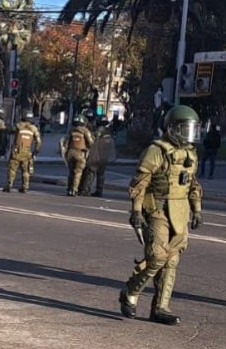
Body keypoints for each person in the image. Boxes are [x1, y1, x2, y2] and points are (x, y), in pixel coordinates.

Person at [119, 105, 203, 326]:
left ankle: (161, 307)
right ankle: (131, 290)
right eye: (185, 129)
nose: (189, 134)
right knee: (157, 256)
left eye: (191, 130)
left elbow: (193, 185)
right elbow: (140, 183)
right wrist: (136, 211)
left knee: (172, 260)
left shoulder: (191, 154)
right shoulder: (157, 150)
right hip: (157, 209)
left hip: (180, 211)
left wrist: (197, 209)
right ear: (172, 128)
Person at [5, 111, 41, 193]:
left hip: (16, 151)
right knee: (25, 170)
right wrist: (35, 151)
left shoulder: (18, 126)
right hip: (27, 152)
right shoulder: (34, 129)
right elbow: (38, 142)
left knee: (12, 169)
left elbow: (10, 130)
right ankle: (25, 186)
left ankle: (9, 185)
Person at [83, 117, 115, 197]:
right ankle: (99, 190)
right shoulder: (109, 132)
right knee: (101, 174)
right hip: (105, 155)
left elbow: (93, 139)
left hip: (97, 154)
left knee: (90, 172)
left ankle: (86, 189)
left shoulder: (100, 130)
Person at [63, 115, 94, 196]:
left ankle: (69, 188)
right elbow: (91, 142)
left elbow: (66, 143)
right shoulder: (85, 131)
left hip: (70, 152)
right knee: (78, 172)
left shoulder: (72, 130)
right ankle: (74, 189)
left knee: (71, 172)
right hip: (80, 153)